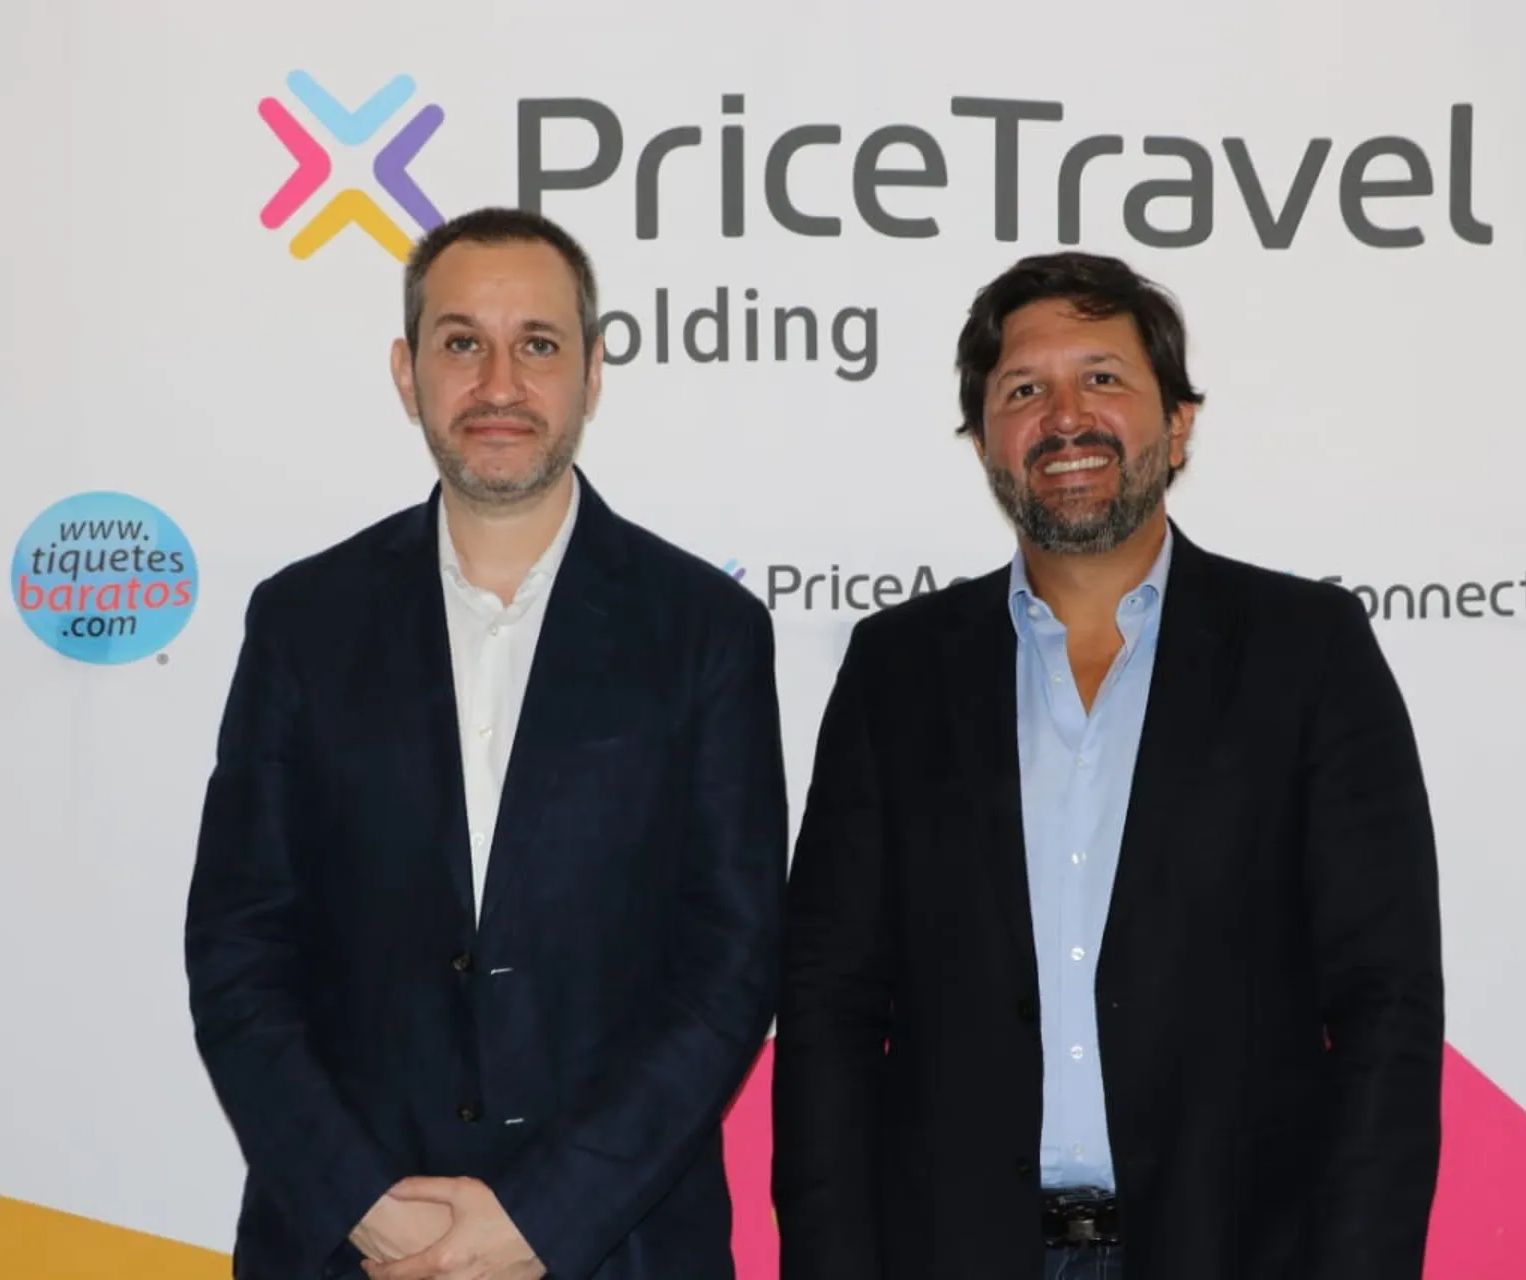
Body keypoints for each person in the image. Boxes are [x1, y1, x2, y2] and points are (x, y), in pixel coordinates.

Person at [771, 251, 1444, 1279]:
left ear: (1177, 423)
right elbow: (828, 1007)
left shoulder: (1308, 651)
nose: (1066, 417)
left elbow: (1384, 1003)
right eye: (1023, 390)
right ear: (984, 441)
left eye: (1103, 377)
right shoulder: (897, 670)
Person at [185, 207, 787, 1280]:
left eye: (537, 345)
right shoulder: (303, 621)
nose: (499, 383)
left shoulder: (707, 632)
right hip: (349, 1247)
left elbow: (730, 966)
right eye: (462, 342)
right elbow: (238, 949)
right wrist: (363, 1205)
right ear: (406, 372)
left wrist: (545, 1217)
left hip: (620, 1246)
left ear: (592, 373)